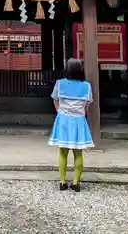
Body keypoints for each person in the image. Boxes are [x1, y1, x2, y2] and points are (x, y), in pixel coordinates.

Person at [48, 58, 94, 192]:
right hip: (79, 120)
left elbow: (55, 100)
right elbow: (88, 103)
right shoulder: (86, 86)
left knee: (63, 152)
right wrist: (81, 112)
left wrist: (60, 112)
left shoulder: (60, 83)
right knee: (78, 152)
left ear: (67, 70)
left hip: (63, 119)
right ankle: (76, 182)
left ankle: (62, 182)